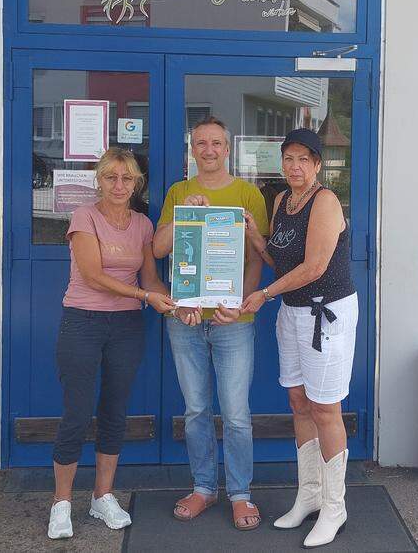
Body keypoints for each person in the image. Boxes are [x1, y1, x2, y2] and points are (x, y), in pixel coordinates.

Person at [48, 148, 177, 540]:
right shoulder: (84, 216)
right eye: (110, 178)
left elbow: (150, 279)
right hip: (82, 322)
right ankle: (62, 502)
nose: (118, 186)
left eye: (127, 179)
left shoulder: (141, 223)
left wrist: (176, 302)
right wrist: (144, 296)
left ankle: (102, 496)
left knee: (114, 411)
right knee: (77, 411)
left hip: (126, 326)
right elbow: (92, 275)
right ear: (98, 180)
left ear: (137, 183)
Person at [240, 127, 357, 549]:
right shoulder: (282, 201)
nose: (294, 166)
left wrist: (264, 294)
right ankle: (309, 494)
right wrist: (255, 233)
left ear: (318, 164)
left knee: (326, 407)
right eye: (288, 158)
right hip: (292, 312)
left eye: (303, 159)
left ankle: (334, 505)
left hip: (325, 312)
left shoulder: (325, 202)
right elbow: (278, 256)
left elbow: (313, 267)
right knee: (298, 401)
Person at [153, 117, 270, 531]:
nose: (207, 149)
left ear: (227, 148)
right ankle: (203, 487)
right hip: (184, 317)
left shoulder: (248, 193)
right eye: (200, 143)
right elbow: (160, 248)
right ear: (192, 149)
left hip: (233, 319)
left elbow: (257, 256)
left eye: (215, 143)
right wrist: (185, 216)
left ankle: (241, 494)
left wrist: (239, 304)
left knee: (237, 414)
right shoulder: (179, 191)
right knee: (196, 410)